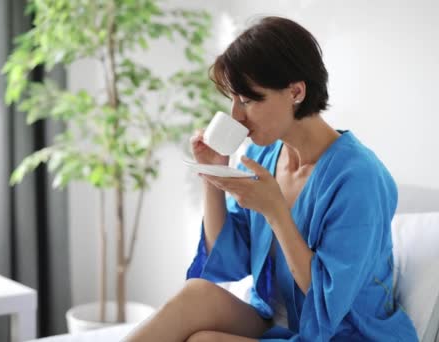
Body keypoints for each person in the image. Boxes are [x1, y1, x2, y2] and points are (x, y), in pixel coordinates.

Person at [124, 16, 419, 342]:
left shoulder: (359, 180)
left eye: (248, 100)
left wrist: (276, 211)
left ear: (295, 91)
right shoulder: (265, 157)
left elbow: (326, 299)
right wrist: (212, 174)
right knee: (195, 294)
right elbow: (230, 256)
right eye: (233, 100)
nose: (236, 115)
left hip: (345, 334)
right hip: (282, 324)